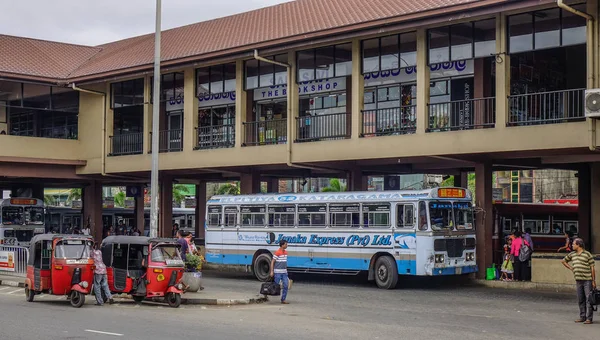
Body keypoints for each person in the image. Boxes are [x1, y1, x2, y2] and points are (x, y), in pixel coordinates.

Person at [561, 238, 596, 324]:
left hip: (587, 280)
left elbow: (592, 268)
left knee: (589, 299)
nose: (572, 245)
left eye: (573, 244)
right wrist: (571, 268)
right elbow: (563, 261)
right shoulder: (572, 254)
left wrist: (593, 280)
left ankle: (589, 318)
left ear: (578, 245)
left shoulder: (587, 254)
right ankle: (582, 316)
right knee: (580, 299)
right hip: (578, 280)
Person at [270, 240, 290, 304]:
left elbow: (284, 262)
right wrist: (272, 271)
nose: (287, 245)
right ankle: (267, 293)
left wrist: (286, 270)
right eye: (286, 244)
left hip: (284, 272)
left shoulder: (286, 253)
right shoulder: (277, 252)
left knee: (286, 285)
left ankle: (283, 299)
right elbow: (272, 262)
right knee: (275, 285)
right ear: (282, 245)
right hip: (277, 272)